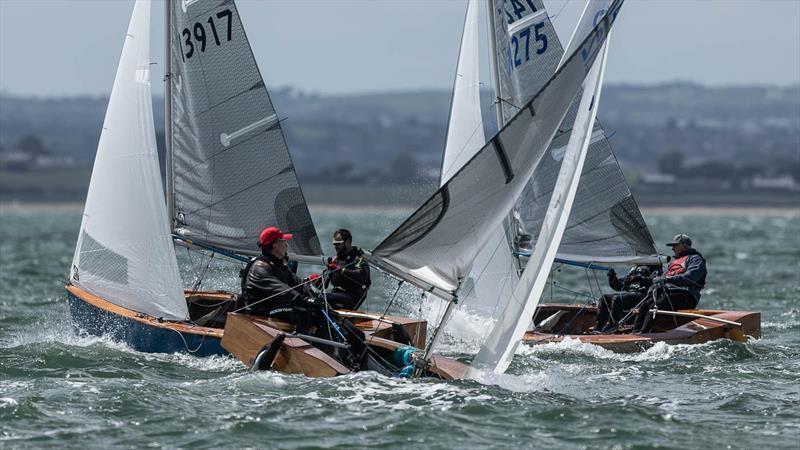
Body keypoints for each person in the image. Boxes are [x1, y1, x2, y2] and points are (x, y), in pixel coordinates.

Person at [238, 226, 322, 332]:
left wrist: (314, 291)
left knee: (316, 311)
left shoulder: (277, 264)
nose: (287, 246)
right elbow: (283, 291)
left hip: (274, 307)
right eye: (284, 242)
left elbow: (298, 284)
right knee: (302, 314)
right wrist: (305, 300)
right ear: (275, 246)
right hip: (259, 313)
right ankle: (301, 345)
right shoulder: (259, 268)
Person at [632, 233, 707, 334]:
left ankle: (644, 334)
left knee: (655, 306)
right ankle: (635, 334)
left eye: (675, 246)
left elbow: (689, 277)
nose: (672, 249)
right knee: (645, 305)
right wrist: (652, 283)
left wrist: (668, 279)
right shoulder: (674, 263)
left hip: (686, 296)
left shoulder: (695, 259)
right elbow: (663, 277)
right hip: (670, 295)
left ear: (684, 245)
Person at [594, 264, 661, 333]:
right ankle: (597, 328)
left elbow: (654, 280)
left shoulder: (655, 266)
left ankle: (612, 325)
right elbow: (619, 286)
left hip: (642, 295)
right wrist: (612, 277)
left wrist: (640, 278)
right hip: (630, 293)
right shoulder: (634, 268)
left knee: (617, 298)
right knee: (604, 298)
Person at [323, 229, 371, 310]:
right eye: (334, 244)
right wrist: (312, 280)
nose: (335, 247)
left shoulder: (358, 258)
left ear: (347, 242)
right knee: (309, 297)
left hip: (351, 297)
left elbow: (362, 276)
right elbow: (324, 284)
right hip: (336, 294)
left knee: (322, 299)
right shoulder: (336, 259)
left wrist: (340, 270)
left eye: (338, 244)